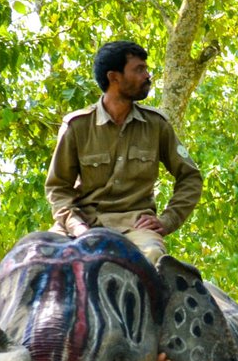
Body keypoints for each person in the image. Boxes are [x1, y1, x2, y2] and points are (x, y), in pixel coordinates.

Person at [45, 40, 203, 262]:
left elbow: (191, 178)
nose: (148, 75)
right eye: (139, 69)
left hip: (136, 228)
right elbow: (58, 188)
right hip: (80, 225)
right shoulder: (77, 126)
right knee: (37, 260)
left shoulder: (156, 125)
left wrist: (167, 221)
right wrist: (76, 225)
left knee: (154, 262)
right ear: (114, 77)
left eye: (146, 69)